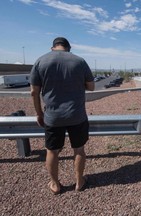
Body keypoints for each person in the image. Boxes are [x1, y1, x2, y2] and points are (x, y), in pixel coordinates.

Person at [30, 37, 95, 194]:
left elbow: (34, 92)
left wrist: (39, 114)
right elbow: (91, 87)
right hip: (77, 115)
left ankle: (55, 184)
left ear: (53, 48)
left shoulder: (40, 61)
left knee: (52, 151)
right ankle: (79, 182)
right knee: (79, 149)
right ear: (68, 48)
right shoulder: (80, 61)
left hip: (52, 116)